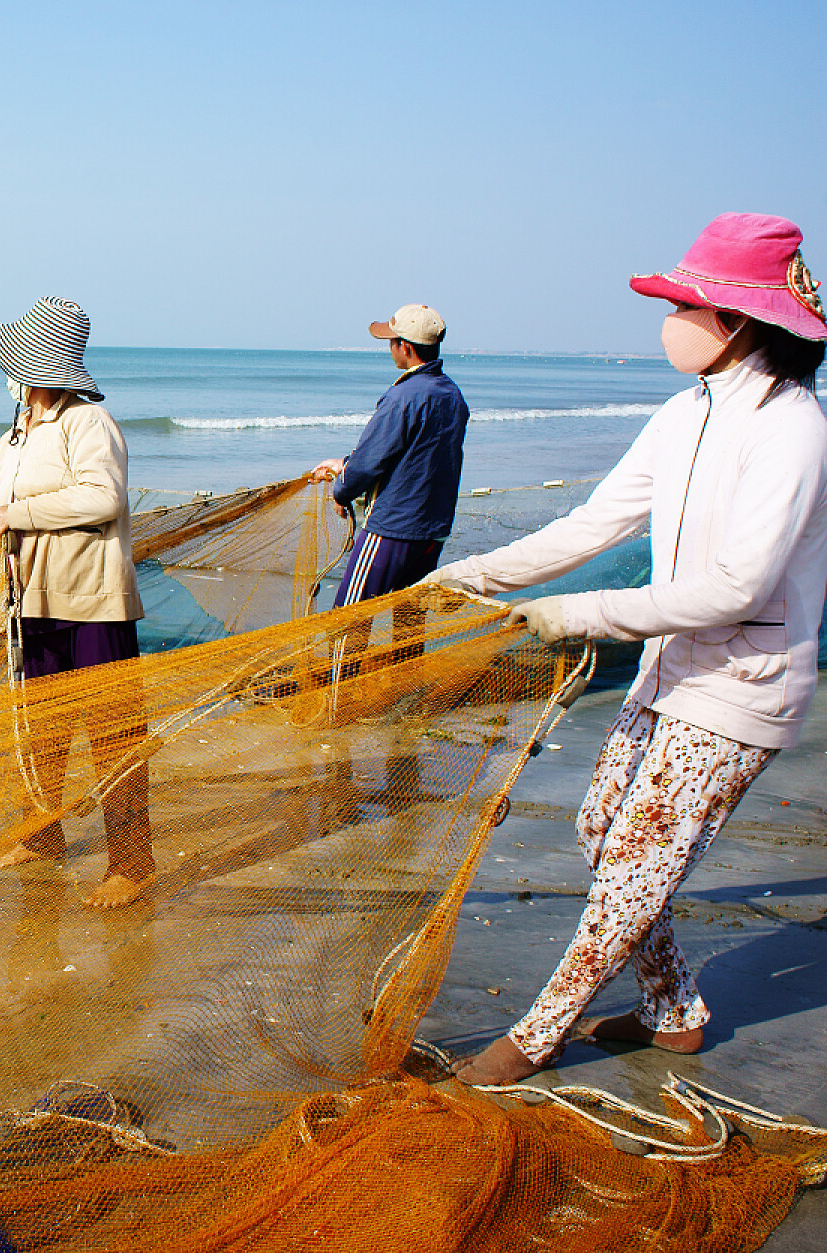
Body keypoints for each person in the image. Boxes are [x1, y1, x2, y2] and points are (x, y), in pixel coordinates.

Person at [421, 213, 827, 1086]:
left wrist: (577, 615)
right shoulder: (686, 413)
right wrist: (476, 574)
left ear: (739, 320)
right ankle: (672, 1007)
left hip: (742, 681)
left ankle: (536, 1033)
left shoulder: (792, 428)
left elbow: (738, 588)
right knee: (600, 824)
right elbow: (594, 522)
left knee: (639, 859)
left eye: (686, 302)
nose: (669, 317)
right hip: (669, 667)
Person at [0, 297, 154, 909]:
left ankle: (132, 864)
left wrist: (20, 514)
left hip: (93, 602)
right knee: (42, 729)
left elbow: (103, 498)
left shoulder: (88, 425)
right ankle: (42, 835)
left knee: (113, 735)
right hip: (30, 602)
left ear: (35, 365)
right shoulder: (15, 437)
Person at [309, 305, 470, 604]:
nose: (389, 348)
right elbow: (415, 459)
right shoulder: (452, 395)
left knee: (348, 617)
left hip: (391, 529)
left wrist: (342, 490)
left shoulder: (401, 397)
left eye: (391, 341)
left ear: (405, 347)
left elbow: (370, 462)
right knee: (409, 620)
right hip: (432, 532)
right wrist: (343, 464)